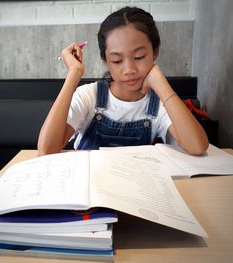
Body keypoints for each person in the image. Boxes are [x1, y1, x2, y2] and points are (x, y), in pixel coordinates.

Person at [37, 6, 209, 156]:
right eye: (117, 61)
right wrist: (74, 73)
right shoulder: (90, 96)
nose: (129, 70)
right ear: (105, 61)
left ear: (155, 52)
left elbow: (198, 147)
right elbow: (46, 149)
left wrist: (160, 83)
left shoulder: (159, 104)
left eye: (139, 57)